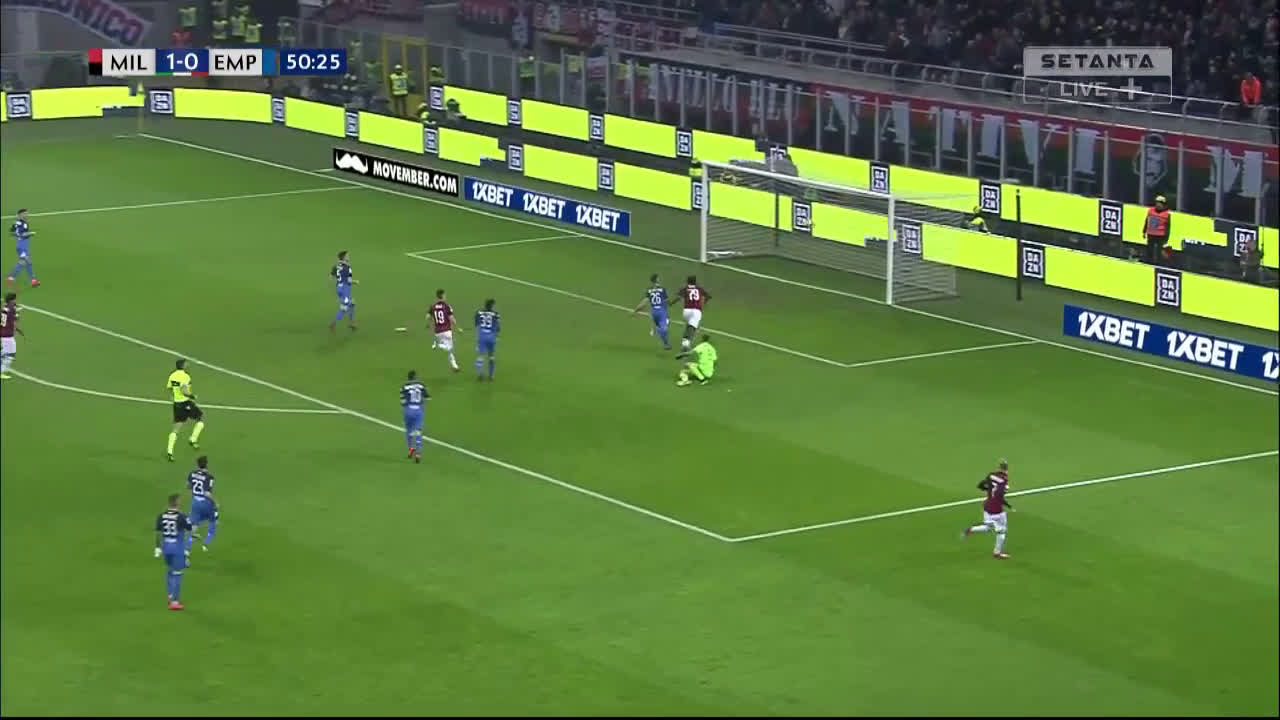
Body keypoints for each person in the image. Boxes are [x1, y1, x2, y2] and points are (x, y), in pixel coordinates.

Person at [963, 459, 1013, 559]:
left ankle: (971, 530)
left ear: (999, 468)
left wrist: (989, 491)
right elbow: (999, 496)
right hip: (997, 511)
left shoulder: (991, 475)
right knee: (1001, 532)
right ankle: (997, 553)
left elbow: (980, 485)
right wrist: (1008, 505)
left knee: (987, 527)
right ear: (1006, 470)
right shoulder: (1004, 481)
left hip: (987, 507)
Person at [154, 493, 192, 610]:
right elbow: (190, 528)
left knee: (170, 570)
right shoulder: (181, 516)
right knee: (177, 574)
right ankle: (175, 602)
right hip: (177, 548)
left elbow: (158, 532)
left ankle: (170, 595)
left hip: (166, 547)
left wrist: (157, 547)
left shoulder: (161, 516)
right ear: (177, 502)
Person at [166, 358, 206, 461]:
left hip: (177, 404)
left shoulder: (172, 375)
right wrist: (192, 396)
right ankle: (193, 439)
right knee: (200, 418)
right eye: (186, 364)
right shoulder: (185, 376)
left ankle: (170, 451)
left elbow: (170, 388)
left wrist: (173, 396)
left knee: (176, 428)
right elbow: (184, 391)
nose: (188, 365)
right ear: (183, 366)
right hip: (185, 403)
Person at [632, 273, 677, 350]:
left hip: (654, 312)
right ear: (657, 279)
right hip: (662, 312)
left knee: (662, 327)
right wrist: (672, 302)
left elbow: (644, 303)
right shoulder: (662, 289)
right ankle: (658, 333)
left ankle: (665, 343)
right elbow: (667, 301)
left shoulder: (649, 290)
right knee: (664, 328)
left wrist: (635, 311)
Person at [186, 456, 218, 554]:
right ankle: (206, 544)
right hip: (206, 503)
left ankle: (188, 548)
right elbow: (207, 493)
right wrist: (215, 502)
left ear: (197, 464)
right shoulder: (209, 477)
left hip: (195, 501)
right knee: (213, 520)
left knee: (194, 524)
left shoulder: (192, 474)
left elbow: (188, 486)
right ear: (207, 464)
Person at [676, 275, 710, 352]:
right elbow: (708, 296)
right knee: (692, 328)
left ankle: (685, 342)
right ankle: (686, 344)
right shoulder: (699, 288)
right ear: (695, 281)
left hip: (686, 311)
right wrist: (704, 303)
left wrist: (671, 304)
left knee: (689, 325)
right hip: (696, 311)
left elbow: (678, 297)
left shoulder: (685, 288)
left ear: (687, 281)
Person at [429, 289, 461, 372]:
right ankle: (438, 345)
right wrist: (457, 327)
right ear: (442, 295)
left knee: (450, 349)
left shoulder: (433, 306)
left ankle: (454, 365)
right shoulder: (446, 306)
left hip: (437, 332)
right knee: (450, 348)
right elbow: (451, 318)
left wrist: (429, 323)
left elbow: (428, 317)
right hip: (446, 330)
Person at [401, 370, 429, 462]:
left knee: (409, 430)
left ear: (408, 378)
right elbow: (427, 397)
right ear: (415, 377)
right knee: (418, 431)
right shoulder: (421, 385)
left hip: (408, 410)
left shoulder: (404, 386)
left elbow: (403, 402)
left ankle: (411, 448)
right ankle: (418, 453)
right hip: (418, 410)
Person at [8, 208, 39, 288]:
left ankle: (32, 280)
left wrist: (17, 235)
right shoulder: (24, 224)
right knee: (25, 262)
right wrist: (31, 233)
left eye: (27, 213)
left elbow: (11, 233)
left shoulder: (16, 223)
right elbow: (23, 234)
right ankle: (12, 277)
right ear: (20, 215)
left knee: (26, 262)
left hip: (21, 245)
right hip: (23, 245)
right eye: (24, 214)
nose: (26, 215)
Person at [329, 250, 358, 332]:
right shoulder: (348, 267)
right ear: (344, 257)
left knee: (352, 303)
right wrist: (355, 282)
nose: (349, 257)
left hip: (339, 288)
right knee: (344, 307)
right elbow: (349, 280)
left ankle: (352, 323)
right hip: (345, 289)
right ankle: (333, 323)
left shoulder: (336, 266)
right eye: (347, 256)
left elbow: (331, 276)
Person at [474, 299, 500, 381]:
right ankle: (491, 376)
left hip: (482, 336)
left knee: (480, 356)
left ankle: (480, 374)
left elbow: (476, 324)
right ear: (492, 306)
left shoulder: (478, 312)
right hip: (491, 336)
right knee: (491, 356)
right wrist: (497, 336)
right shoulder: (496, 314)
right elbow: (498, 327)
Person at [1144, 194, 1171, 265]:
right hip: (1151, 233)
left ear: (1164, 205)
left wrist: (1166, 237)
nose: (1158, 205)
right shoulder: (1150, 211)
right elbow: (1147, 221)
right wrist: (1144, 231)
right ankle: (1148, 262)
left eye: (1161, 203)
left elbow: (1168, 226)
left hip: (1160, 235)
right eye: (1157, 203)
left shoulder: (1167, 214)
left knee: (1159, 251)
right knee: (1149, 249)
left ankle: (1159, 263)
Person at [0, 292, 20, 380]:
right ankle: (1, 372)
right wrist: (15, 330)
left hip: (3, 332)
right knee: (10, 353)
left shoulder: (5, 307)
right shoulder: (12, 308)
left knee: (6, 351)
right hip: (8, 334)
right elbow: (15, 321)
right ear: (12, 300)